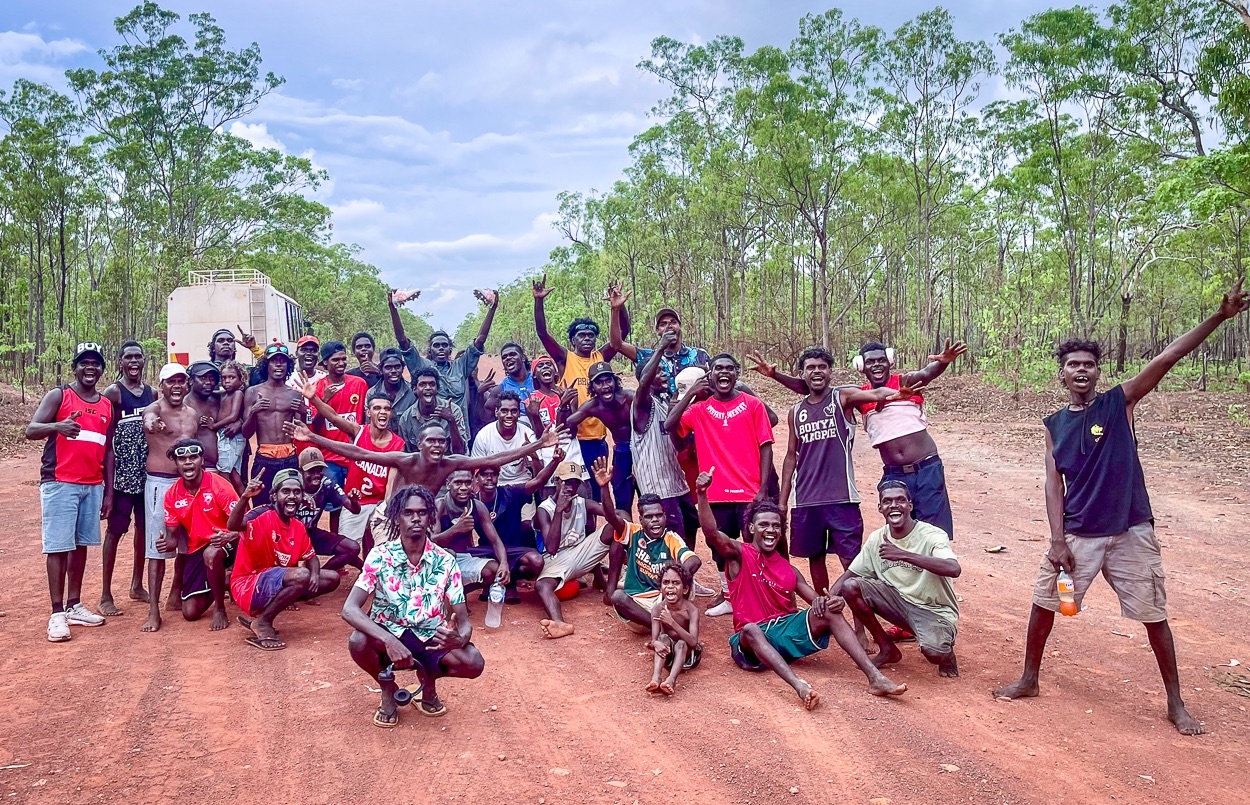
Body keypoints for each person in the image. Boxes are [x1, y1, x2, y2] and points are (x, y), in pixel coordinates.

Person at [994, 280, 1249, 735]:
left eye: (1089, 364)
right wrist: (1057, 540)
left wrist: (1219, 316)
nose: (1081, 370)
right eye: (1073, 364)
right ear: (1061, 374)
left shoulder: (1119, 402)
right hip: (1079, 533)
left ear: (1099, 372)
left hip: (1131, 531)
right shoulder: (1054, 425)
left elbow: (1168, 357)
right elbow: (1053, 484)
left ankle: (1176, 703)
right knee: (1045, 602)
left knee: (1154, 615)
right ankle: (1029, 679)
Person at [695, 469, 907, 707]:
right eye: (763, 524)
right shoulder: (740, 555)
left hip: (783, 635)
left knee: (829, 611)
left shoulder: (790, 571)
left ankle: (875, 678)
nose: (771, 530)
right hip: (750, 643)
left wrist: (831, 602)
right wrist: (702, 494)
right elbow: (712, 534)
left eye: (776, 526)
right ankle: (799, 686)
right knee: (751, 630)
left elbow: (817, 602)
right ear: (752, 528)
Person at [750, 347, 902, 594]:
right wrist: (782, 502)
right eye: (810, 367)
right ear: (803, 373)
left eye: (822, 367)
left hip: (842, 498)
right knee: (815, 557)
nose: (817, 371)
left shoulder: (842, 399)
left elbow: (876, 393)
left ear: (831, 372)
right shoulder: (795, 412)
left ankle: (858, 613)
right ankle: (824, 608)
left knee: (851, 562)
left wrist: (896, 393)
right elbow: (791, 456)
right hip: (806, 500)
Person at [344, 485, 485, 727]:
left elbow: (463, 621)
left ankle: (428, 680)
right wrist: (390, 640)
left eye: (422, 512)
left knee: (473, 662)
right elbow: (349, 609)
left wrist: (459, 639)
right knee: (358, 641)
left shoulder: (445, 560)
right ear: (397, 518)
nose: (416, 518)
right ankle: (388, 688)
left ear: (430, 517)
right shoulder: (380, 556)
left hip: (430, 637)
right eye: (408, 513)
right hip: (388, 634)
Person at [666, 353, 775, 617]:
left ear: (737, 373)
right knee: (720, 548)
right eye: (718, 368)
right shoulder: (699, 410)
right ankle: (729, 597)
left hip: (749, 491)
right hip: (715, 493)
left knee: (754, 547)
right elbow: (669, 425)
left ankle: (759, 597)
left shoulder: (752, 404)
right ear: (710, 375)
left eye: (729, 368)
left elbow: (766, 446)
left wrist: (763, 489)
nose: (723, 372)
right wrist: (690, 393)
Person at [26, 341, 114, 641]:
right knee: (58, 547)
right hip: (60, 482)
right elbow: (31, 430)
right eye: (84, 363)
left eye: (95, 363)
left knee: (80, 545)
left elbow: (108, 450)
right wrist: (57, 427)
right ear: (75, 367)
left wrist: (108, 491)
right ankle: (56, 614)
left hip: (92, 484)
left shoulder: (106, 405)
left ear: (102, 369)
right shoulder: (60, 395)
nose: (90, 368)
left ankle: (74, 605)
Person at [834, 481, 962, 677]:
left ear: (910, 505)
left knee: (934, 653)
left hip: (934, 611)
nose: (894, 505)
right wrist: (826, 598)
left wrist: (903, 554)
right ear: (880, 508)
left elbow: (953, 569)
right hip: (898, 604)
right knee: (851, 587)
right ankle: (887, 648)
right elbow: (850, 575)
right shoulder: (877, 538)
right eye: (887, 501)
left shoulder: (931, 535)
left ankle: (947, 656)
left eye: (900, 500)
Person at [293, 418, 563, 503]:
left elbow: (495, 458)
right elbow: (360, 453)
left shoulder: (451, 463)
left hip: (425, 512)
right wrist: (314, 437)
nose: (437, 445)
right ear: (419, 444)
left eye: (441, 441)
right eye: (431, 441)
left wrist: (538, 444)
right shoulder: (405, 460)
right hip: (394, 512)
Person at [532, 275, 631, 499]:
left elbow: (623, 333)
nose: (587, 339)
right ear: (573, 341)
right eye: (581, 335)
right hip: (573, 439)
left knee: (598, 491)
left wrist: (619, 307)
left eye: (591, 335)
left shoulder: (600, 356)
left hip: (598, 441)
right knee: (574, 492)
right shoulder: (565, 358)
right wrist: (538, 301)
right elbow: (542, 334)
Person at [231, 469, 340, 650]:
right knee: (301, 575)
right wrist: (244, 497)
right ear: (274, 496)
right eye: (286, 491)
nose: (292, 496)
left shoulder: (297, 526)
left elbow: (311, 556)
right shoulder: (262, 515)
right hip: (248, 585)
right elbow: (233, 525)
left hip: (272, 582)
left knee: (331, 578)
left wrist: (314, 574)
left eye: (297, 492)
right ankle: (263, 622)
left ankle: (266, 614)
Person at [294, 376, 402, 560]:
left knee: (383, 550)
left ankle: (372, 569)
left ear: (391, 413)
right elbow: (334, 417)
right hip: (356, 503)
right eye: (377, 408)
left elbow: (391, 486)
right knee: (347, 550)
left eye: (386, 408)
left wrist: (385, 511)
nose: (382, 412)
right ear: (368, 412)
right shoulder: (359, 432)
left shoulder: (398, 445)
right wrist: (314, 398)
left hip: (379, 503)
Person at [139, 363, 203, 633]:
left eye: (181, 381)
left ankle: (176, 592)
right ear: (162, 385)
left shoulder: (193, 414)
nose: (177, 386)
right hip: (161, 483)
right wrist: (150, 423)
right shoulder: (155, 409)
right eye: (171, 382)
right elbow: (148, 418)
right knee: (158, 547)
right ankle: (153, 610)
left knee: (187, 543)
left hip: (188, 486)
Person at [236, 448, 363, 573]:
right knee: (291, 571)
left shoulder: (327, 484)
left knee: (351, 548)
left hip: (310, 534)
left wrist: (354, 501)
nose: (316, 475)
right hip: (286, 535)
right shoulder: (291, 485)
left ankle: (320, 575)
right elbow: (270, 508)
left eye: (319, 470)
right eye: (311, 471)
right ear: (301, 470)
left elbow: (354, 509)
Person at [159, 438, 240, 631]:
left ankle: (220, 608)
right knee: (190, 612)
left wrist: (229, 536)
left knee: (212, 553)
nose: (188, 462)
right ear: (176, 463)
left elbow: (244, 524)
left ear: (202, 460)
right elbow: (172, 538)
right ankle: (226, 580)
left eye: (193, 457)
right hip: (198, 548)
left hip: (229, 542)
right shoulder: (172, 495)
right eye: (182, 459)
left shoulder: (220, 485)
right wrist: (166, 544)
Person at [100, 340, 155, 616]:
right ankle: (105, 594)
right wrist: (108, 489)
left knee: (143, 530)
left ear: (144, 361)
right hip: (122, 478)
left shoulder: (152, 394)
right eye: (128, 357)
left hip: (147, 476)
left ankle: (137, 584)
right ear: (120, 361)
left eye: (138, 357)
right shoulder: (114, 393)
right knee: (115, 532)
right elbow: (107, 442)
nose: (134, 362)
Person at [534, 458, 617, 639]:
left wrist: (604, 487)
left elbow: (614, 516)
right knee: (542, 585)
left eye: (575, 482)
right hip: (556, 559)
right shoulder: (545, 509)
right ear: (557, 481)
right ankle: (560, 624)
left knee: (619, 523)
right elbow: (551, 548)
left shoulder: (582, 502)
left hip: (581, 552)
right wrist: (559, 511)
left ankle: (610, 589)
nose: (570, 487)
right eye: (566, 482)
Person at [390, 287, 498, 423]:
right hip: (431, 430)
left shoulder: (460, 367)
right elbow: (402, 341)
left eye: (444, 345)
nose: (441, 348)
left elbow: (480, 339)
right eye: (436, 345)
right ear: (430, 350)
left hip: (459, 429)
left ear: (450, 349)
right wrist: (393, 307)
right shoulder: (422, 366)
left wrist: (492, 308)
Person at [631, 333, 697, 547]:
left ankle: (686, 567)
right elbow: (643, 385)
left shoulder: (666, 401)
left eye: (663, 369)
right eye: (658, 371)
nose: (664, 374)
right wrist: (660, 349)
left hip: (676, 481)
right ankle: (670, 568)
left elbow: (680, 442)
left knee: (691, 525)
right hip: (657, 487)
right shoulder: (642, 405)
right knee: (671, 537)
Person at [432, 469, 543, 596]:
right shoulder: (439, 506)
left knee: (495, 569)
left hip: (464, 557)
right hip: (439, 559)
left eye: (467, 483)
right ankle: (446, 593)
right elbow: (432, 542)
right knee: (450, 554)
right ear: (448, 484)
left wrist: (504, 563)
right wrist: (455, 529)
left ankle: (460, 592)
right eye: (458, 483)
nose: (463, 487)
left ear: (473, 483)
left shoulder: (477, 506)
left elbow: (495, 540)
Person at [472, 449, 564, 602]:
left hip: (514, 549)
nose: (489, 478)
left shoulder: (510, 492)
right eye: (484, 474)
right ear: (476, 478)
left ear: (498, 477)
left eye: (493, 474)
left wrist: (555, 461)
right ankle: (489, 582)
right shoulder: (471, 501)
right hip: (487, 549)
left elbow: (538, 481)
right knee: (464, 556)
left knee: (537, 561)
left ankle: (512, 582)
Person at [604, 493, 702, 631]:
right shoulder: (633, 533)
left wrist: (671, 578)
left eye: (659, 515)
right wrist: (604, 488)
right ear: (641, 520)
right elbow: (611, 518)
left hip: (664, 601)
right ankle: (663, 628)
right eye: (649, 517)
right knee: (618, 597)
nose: (655, 520)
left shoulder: (671, 539)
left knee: (685, 580)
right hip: (637, 608)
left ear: (665, 516)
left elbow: (694, 561)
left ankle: (662, 626)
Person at [306, 340, 369, 533]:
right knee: (334, 506)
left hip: (355, 456)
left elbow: (365, 419)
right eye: (335, 360)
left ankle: (359, 542)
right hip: (330, 458)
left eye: (343, 359)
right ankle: (335, 542)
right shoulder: (316, 388)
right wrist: (323, 400)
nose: (341, 363)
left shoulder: (359, 384)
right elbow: (315, 427)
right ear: (325, 363)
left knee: (360, 503)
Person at [606, 286, 709, 397]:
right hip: (662, 407)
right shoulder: (649, 357)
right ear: (658, 331)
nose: (669, 326)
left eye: (673, 322)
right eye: (663, 324)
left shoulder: (699, 354)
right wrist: (615, 309)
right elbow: (616, 344)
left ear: (680, 327)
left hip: (696, 407)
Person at [562, 361, 636, 513]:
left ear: (615, 381)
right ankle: (626, 526)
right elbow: (567, 424)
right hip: (622, 450)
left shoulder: (630, 398)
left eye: (608, 381)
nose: (605, 386)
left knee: (649, 491)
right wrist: (564, 404)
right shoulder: (594, 406)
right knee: (622, 496)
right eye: (599, 383)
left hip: (643, 446)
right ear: (592, 387)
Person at [242, 343, 306, 505]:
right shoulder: (253, 392)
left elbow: (301, 430)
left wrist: (304, 413)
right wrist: (253, 412)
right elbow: (246, 433)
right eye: (274, 361)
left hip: (289, 456)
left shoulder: (295, 394)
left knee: (290, 504)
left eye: (282, 361)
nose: (278, 364)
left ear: (288, 365)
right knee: (261, 505)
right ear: (266, 365)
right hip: (264, 457)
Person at [523, 354, 585, 493]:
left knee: (580, 492)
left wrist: (565, 405)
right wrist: (535, 415)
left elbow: (572, 431)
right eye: (540, 365)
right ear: (534, 375)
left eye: (549, 364)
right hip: (547, 452)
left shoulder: (569, 394)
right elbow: (540, 435)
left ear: (555, 371)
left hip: (571, 449)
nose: (545, 367)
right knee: (550, 493)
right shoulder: (531, 400)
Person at [646, 562, 702, 696]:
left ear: (685, 589)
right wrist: (655, 643)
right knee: (663, 638)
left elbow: (693, 642)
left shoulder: (691, 611)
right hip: (667, 655)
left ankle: (671, 680)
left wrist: (671, 622)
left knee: (681, 643)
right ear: (661, 588)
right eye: (666, 582)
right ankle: (656, 677)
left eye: (676, 583)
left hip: (687, 656)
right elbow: (654, 639)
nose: (670, 586)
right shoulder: (657, 609)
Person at [471, 390, 538, 487]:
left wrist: (534, 456)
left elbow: (539, 476)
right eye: (504, 411)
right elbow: (476, 471)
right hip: (493, 486)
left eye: (514, 411)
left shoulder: (527, 434)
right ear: (496, 412)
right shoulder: (483, 435)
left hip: (522, 484)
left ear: (519, 413)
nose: (509, 415)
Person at [395, 367, 468, 454]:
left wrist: (451, 421)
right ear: (415, 389)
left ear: (437, 389)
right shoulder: (406, 419)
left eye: (432, 384)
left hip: (447, 461)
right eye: (422, 384)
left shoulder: (453, 410)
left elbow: (461, 452)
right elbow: (404, 456)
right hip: (419, 462)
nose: (428, 388)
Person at [210, 359, 248, 492]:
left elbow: (233, 416)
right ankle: (244, 504)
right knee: (235, 476)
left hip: (231, 438)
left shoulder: (238, 394)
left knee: (223, 475)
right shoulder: (224, 394)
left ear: (241, 380)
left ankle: (227, 502)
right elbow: (211, 392)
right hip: (228, 437)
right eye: (224, 378)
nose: (227, 381)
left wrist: (214, 426)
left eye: (232, 377)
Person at [187, 361, 222, 470]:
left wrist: (238, 422)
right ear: (191, 380)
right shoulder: (185, 406)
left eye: (212, 379)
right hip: (200, 469)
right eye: (203, 378)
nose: (208, 382)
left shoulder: (218, 400)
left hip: (225, 467)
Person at [367, 348, 416, 421]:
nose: (393, 371)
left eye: (397, 367)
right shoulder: (372, 393)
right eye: (388, 367)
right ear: (381, 369)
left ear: (402, 368)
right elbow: (369, 423)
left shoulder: (412, 392)